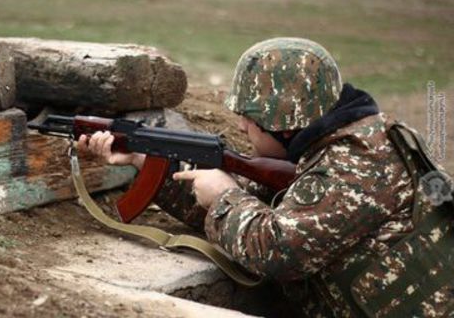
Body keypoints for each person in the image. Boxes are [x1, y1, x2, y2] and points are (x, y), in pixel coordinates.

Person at [78, 37, 453, 317]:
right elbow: (255, 209)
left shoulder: (357, 165)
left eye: (250, 119)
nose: (241, 124)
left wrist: (226, 197)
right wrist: (147, 162)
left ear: (284, 125)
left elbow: (274, 252)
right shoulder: (341, 141)